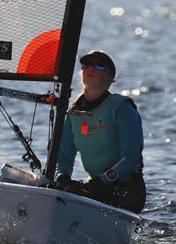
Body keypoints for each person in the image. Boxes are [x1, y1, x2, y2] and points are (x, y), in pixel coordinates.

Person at [53, 50, 146, 213]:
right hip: (95, 188)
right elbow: (63, 156)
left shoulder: (122, 108)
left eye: (99, 66)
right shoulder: (72, 112)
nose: (91, 69)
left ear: (110, 79)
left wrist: (101, 182)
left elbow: (130, 158)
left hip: (127, 189)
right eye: (86, 65)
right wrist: (63, 179)